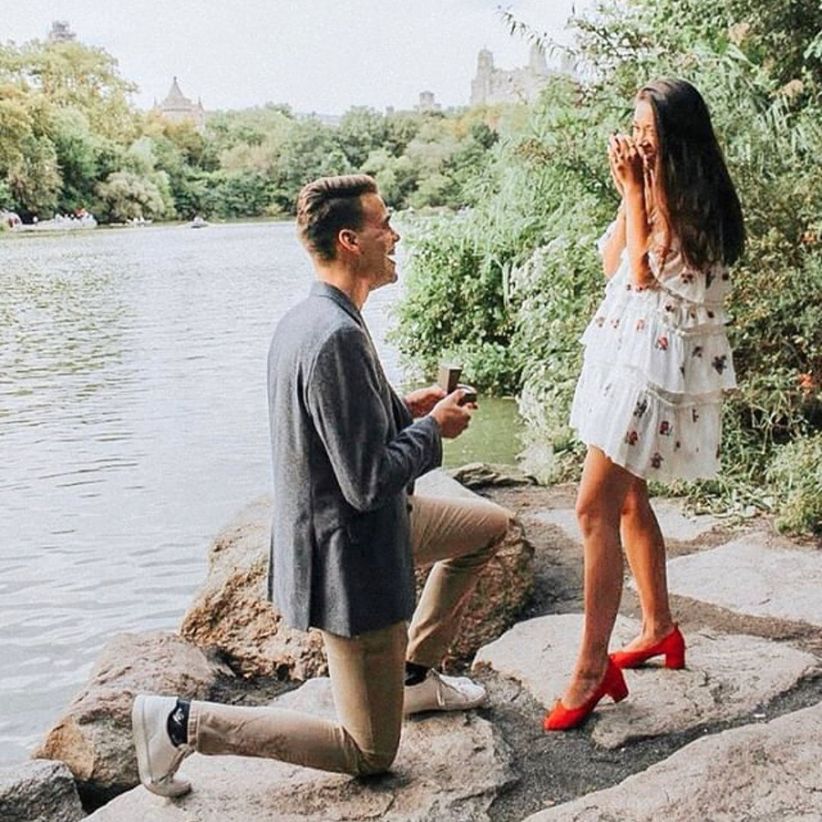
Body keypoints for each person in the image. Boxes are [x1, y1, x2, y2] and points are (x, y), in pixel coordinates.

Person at [131, 174, 513, 795]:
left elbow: (340, 431)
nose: (395, 234)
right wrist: (436, 429)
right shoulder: (334, 336)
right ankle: (179, 723)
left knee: (487, 529)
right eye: (383, 223)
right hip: (349, 557)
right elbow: (365, 483)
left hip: (371, 525)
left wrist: (406, 409)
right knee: (369, 753)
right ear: (349, 240)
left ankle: (414, 676)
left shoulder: (316, 316)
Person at [544, 79, 745, 730]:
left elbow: (642, 274)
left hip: (653, 364)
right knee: (627, 498)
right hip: (625, 351)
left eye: (651, 132)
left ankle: (591, 666)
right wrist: (628, 192)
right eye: (636, 129)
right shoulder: (651, 185)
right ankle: (658, 627)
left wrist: (636, 190)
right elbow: (613, 263)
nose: (640, 141)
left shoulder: (696, 198)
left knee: (592, 507)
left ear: (678, 135)